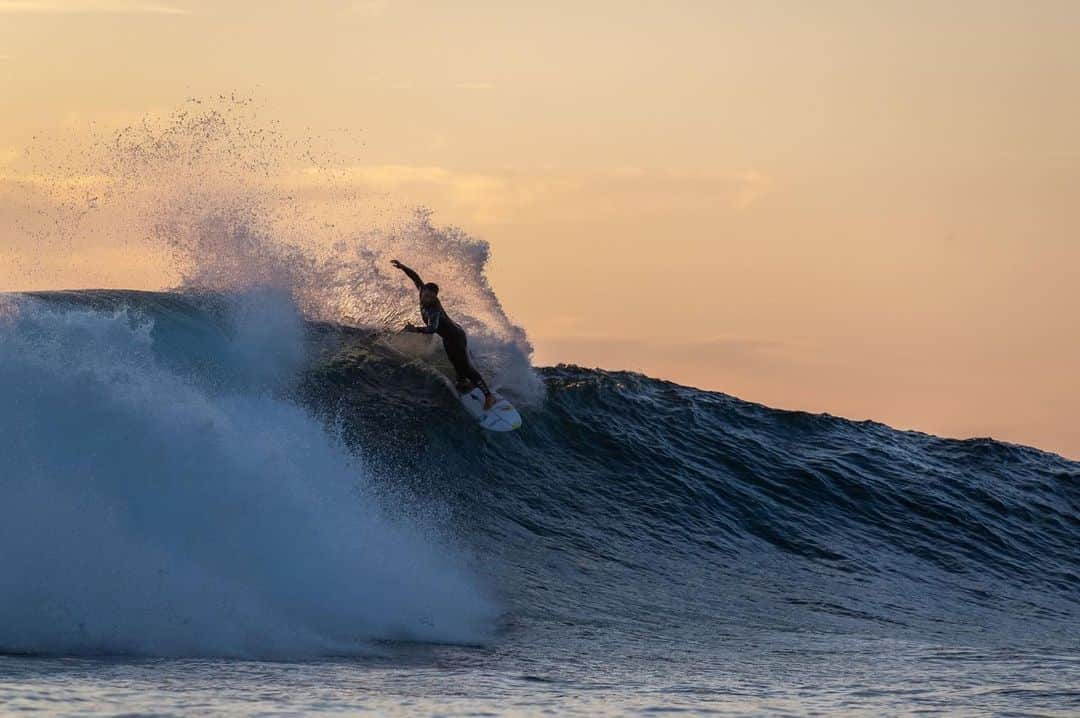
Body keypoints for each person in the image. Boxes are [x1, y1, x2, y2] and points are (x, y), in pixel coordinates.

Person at [391, 259, 496, 410]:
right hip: (449, 337)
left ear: (435, 297)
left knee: (465, 367)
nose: (426, 299)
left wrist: (416, 329)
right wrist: (403, 267)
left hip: (456, 338)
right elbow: (415, 277)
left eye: (430, 297)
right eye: (425, 295)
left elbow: (432, 329)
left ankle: (488, 395)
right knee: (455, 363)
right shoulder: (422, 290)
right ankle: (462, 382)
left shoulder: (434, 310)